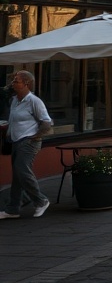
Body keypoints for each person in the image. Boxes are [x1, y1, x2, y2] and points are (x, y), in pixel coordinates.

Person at [1, 70, 53, 219]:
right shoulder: (15, 100)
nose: (13, 83)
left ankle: (41, 200)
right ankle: (13, 209)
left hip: (29, 141)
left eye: (16, 81)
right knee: (18, 175)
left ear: (26, 84)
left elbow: (46, 123)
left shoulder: (34, 101)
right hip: (16, 141)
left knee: (21, 169)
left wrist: (34, 137)